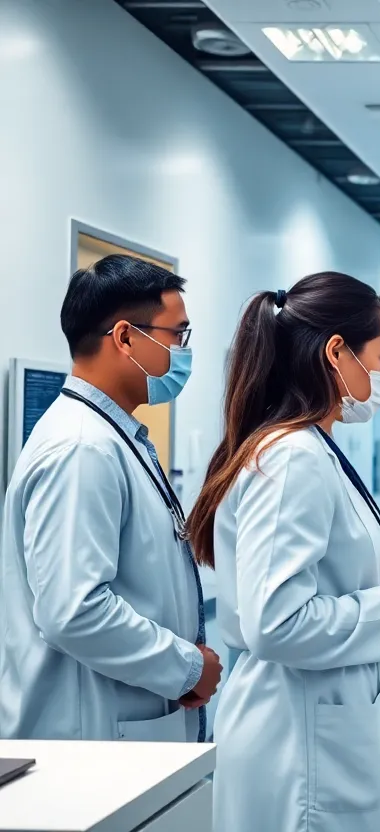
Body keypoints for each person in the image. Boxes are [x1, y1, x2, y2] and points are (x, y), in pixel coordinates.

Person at [186, 274, 380, 832]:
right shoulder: (292, 458)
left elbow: (319, 589)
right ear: (337, 352)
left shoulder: (311, 449)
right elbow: (276, 623)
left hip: (325, 723)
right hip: (301, 743)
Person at [0, 254, 219, 742]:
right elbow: (73, 610)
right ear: (125, 338)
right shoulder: (82, 448)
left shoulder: (110, 437)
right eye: (176, 335)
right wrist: (186, 667)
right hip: (90, 736)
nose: (183, 352)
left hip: (120, 728)